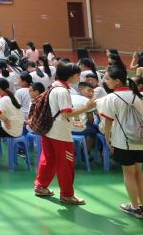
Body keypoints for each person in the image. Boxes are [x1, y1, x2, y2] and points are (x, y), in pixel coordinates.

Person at [34, 63, 96, 205]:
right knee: (66, 163)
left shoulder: (54, 86)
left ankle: (40, 186)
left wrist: (73, 121)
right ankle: (67, 195)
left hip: (49, 129)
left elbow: (59, 111)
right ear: (71, 75)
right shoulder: (63, 91)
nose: (79, 77)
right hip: (60, 134)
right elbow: (66, 113)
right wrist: (86, 107)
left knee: (48, 159)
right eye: (77, 75)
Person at [100, 67, 143, 218]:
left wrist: (107, 138)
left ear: (117, 81)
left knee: (129, 174)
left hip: (123, 142)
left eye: (107, 78)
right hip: (142, 140)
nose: (105, 81)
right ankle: (142, 206)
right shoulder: (139, 96)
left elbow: (108, 122)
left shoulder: (111, 97)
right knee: (138, 172)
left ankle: (134, 208)